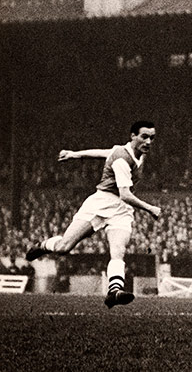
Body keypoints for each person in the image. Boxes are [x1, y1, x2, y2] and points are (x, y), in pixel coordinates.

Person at [26, 121, 161, 308]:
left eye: (151, 138)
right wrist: (150, 208)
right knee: (64, 247)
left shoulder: (133, 153)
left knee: (118, 250)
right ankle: (44, 245)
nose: (148, 142)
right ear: (132, 136)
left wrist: (75, 154)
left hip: (121, 211)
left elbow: (104, 153)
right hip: (101, 204)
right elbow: (125, 194)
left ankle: (114, 291)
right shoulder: (122, 159)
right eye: (144, 137)